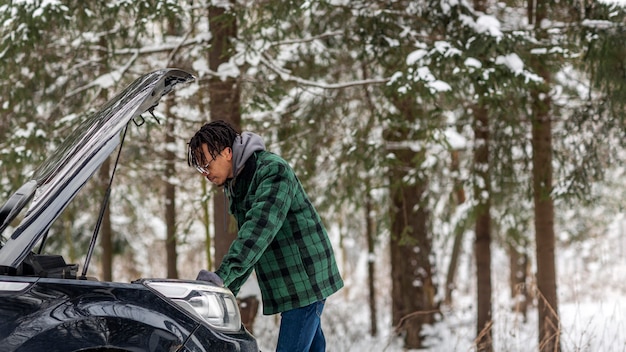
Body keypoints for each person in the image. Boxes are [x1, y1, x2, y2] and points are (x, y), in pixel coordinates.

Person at [187, 120, 344, 352]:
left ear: (227, 152)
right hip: (289, 284)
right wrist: (224, 290)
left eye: (207, 163)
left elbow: (258, 232)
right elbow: (251, 248)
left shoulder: (273, 171)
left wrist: (222, 278)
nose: (205, 173)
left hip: (305, 282)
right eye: (200, 168)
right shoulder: (238, 184)